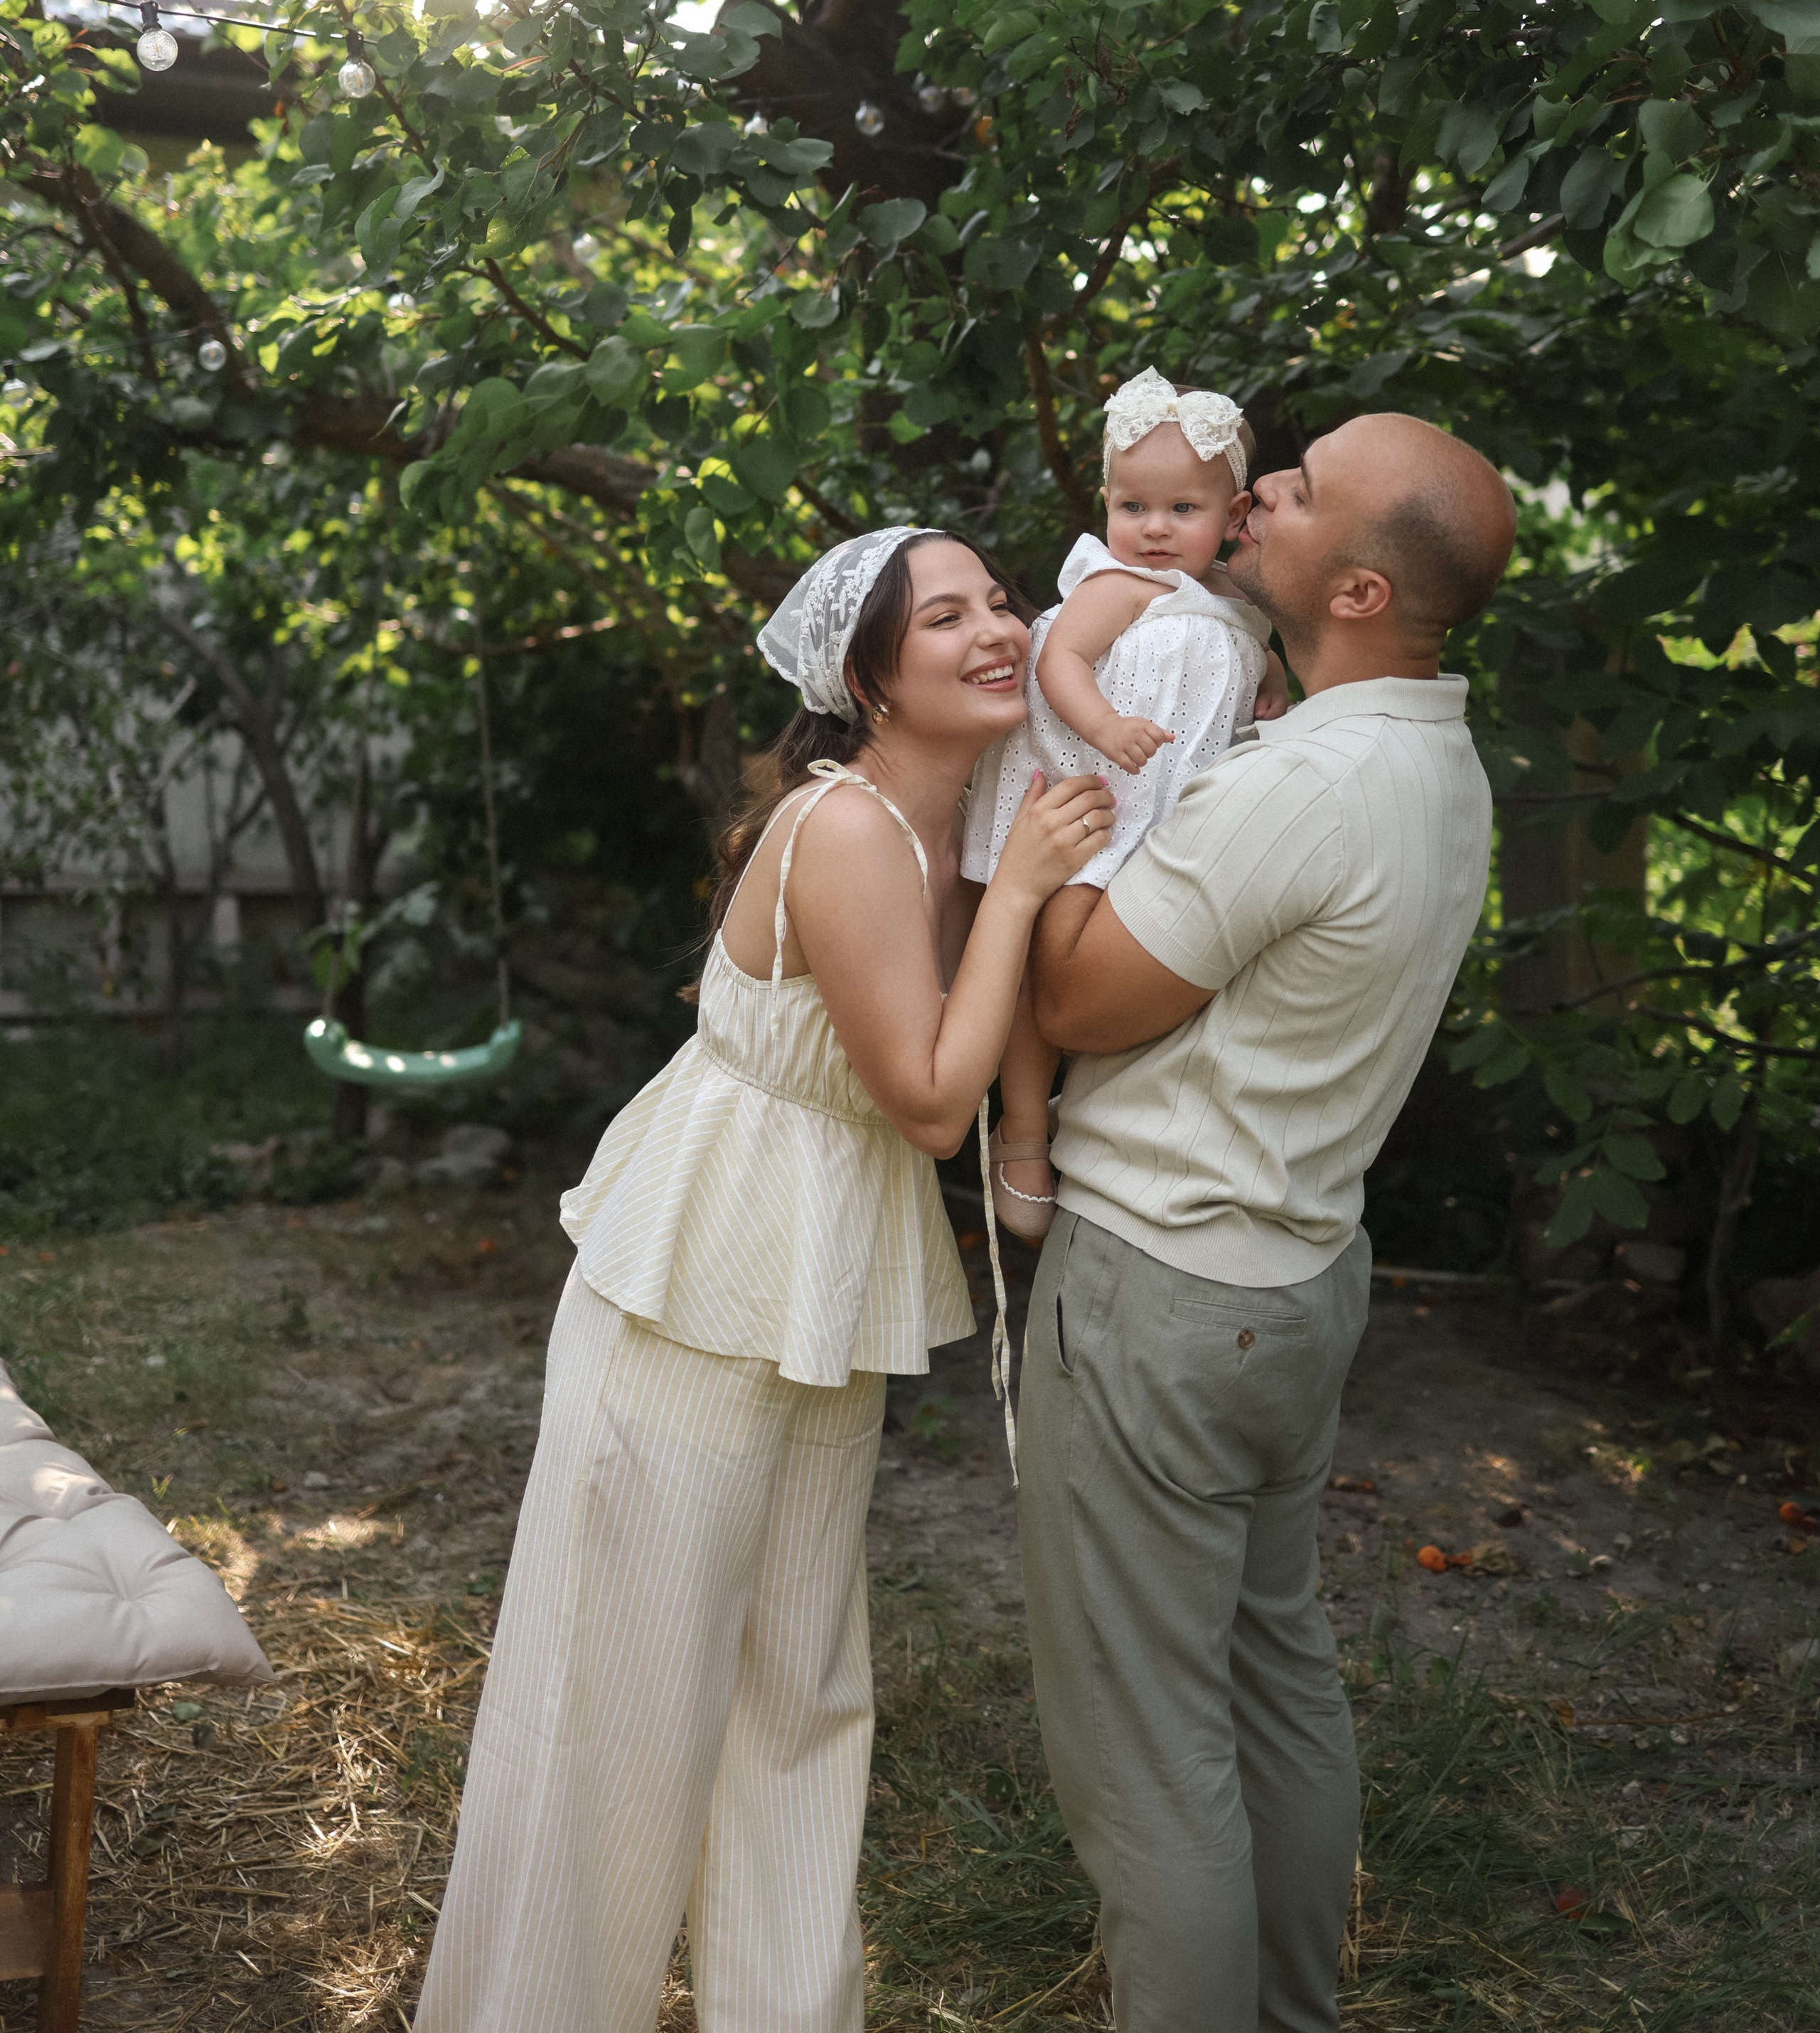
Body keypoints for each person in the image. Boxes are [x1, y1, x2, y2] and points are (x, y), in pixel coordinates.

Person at [414, 526, 1113, 2033]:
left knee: (801, 1698)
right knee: (619, 1705)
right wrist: (1017, 898)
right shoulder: (848, 827)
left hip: (824, 1276)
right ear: (866, 678)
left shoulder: (969, 815)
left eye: (1000, 600)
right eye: (946, 616)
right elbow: (932, 1100)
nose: (996, 628)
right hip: (697, 1278)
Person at [1019, 411, 1517, 2033]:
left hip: (1165, 1289)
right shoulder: (1435, 760)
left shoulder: (1300, 781)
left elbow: (1084, 999)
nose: (1257, 496)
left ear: (1358, 590)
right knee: (1271, 1683)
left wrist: (1052, 842)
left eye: (1294, 493)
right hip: (1295, 1276)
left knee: (1148, 1751)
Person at [960, 367, 1285, 1240]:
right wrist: (1103, 724)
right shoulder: (1115, 583)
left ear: (1231, 516)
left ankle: (1100, 1111)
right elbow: (1061, 658)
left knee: (1128, 964)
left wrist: (1276, 680)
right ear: (1106, 503)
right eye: (1133, 505)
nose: (1152, 529)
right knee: (1043, 962)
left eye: (1182, 510)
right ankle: (1023, 1127)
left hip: (1168, 815)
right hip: (1090, 798)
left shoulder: (1234, 600)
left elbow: (1244, 656)